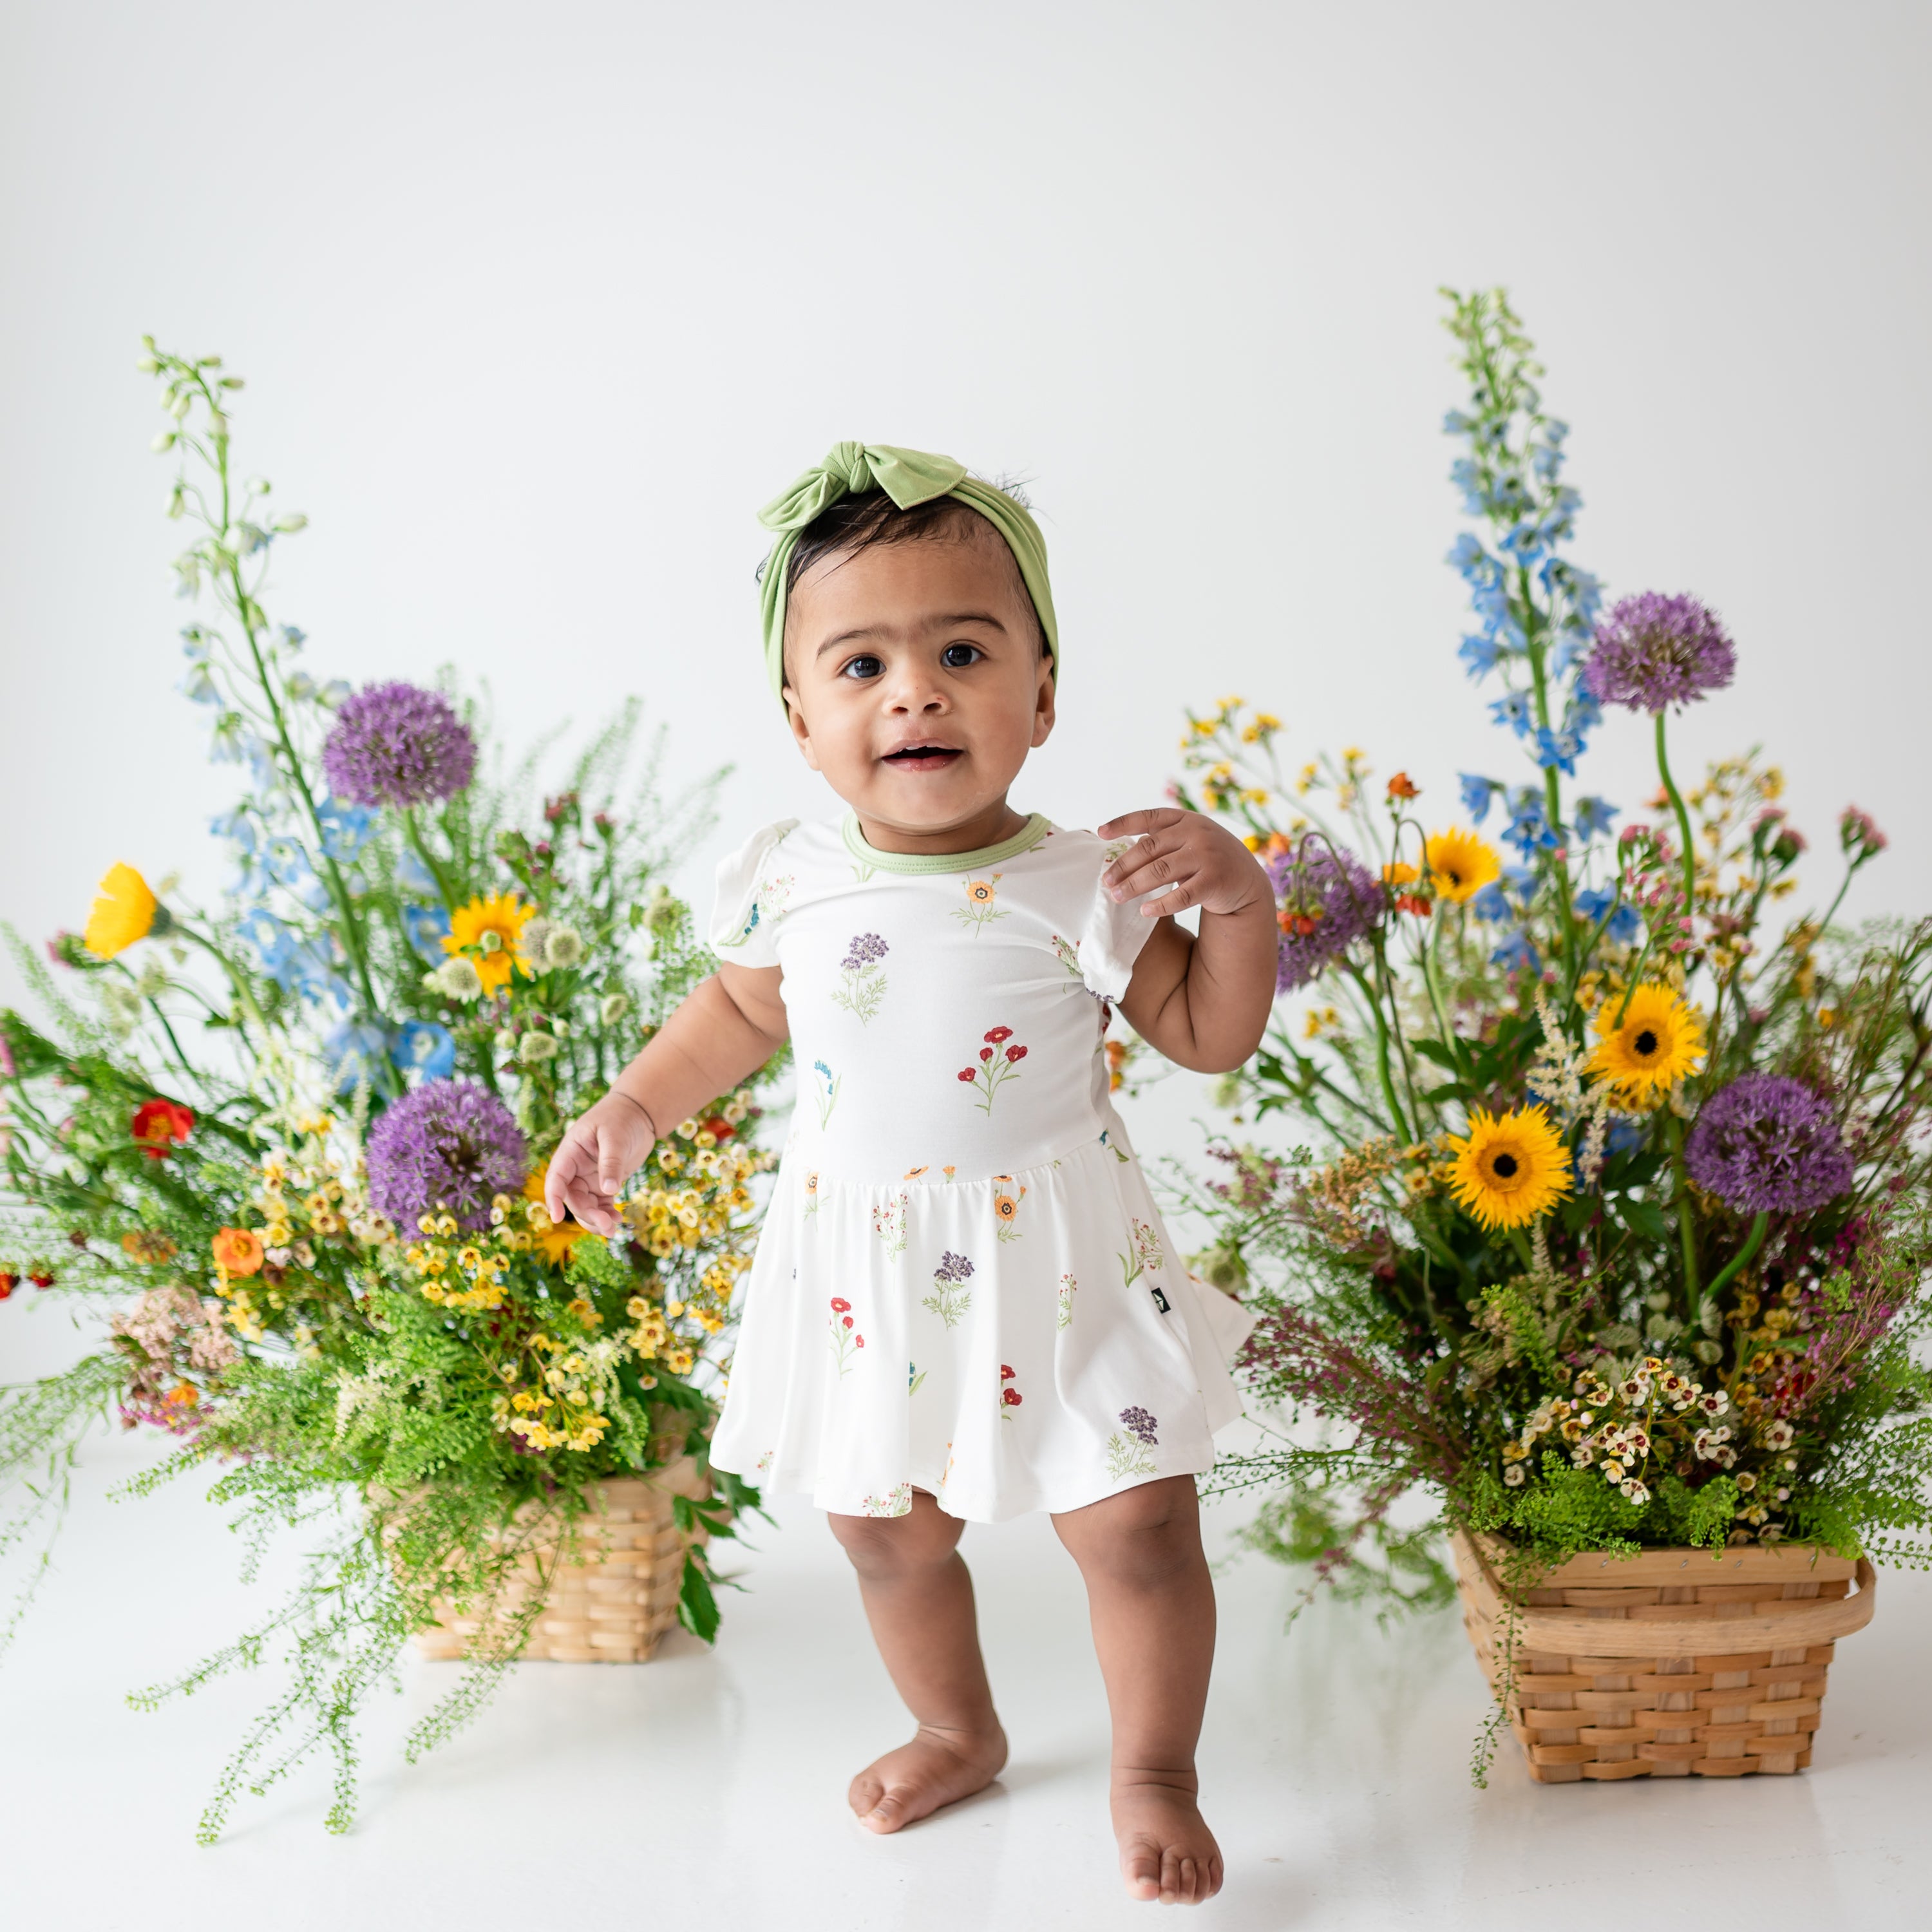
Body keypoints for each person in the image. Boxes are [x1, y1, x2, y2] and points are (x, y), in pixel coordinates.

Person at [547, 442, 1277, 1906]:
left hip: (1065, 1262)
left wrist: (1242, 896)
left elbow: (1208, 1032)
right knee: (882, 1528)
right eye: (863, 662)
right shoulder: (797, 876)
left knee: (1136, 1520)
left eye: (962, 650)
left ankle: (1156, 1769)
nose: (915, 691)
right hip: (865, 1268)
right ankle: (957, 1724)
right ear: (803, 718)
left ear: (1044, 696)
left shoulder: (1085, 879)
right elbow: (744, 1013)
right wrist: (632, 1104)